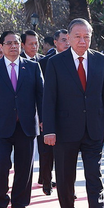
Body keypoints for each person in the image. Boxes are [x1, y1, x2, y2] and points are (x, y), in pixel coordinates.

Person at [43, 19, 104, 208]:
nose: (82, 41)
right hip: (65, 131)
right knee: (65, 178)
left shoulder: (100, 60)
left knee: (95, 176)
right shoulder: (56, 63)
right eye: (77, 36)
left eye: (87, 36)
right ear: (68, 37)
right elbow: (49, 99)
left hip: (94, 128)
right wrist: (49, 130)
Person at [0, 31, 44, 208]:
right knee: (0, 166)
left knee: (24, 167)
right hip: (0, 126)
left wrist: (43, 120)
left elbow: (41, 96)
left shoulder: (33, 67)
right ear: (1, 46)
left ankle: (19, 205)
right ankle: (1, 203)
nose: (13, 46)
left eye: (16, 42)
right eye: (9, 43)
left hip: (26, 125)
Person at [36, 28, 68, 194]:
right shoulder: (44, 62)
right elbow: (40, 92)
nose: (66, 43)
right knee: (47, 151)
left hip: (69, 114)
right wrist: (42, 117)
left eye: (68, 39)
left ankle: (67, 187)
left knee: (67, 154)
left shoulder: (75, 61)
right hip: (48, 113)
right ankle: (46, 182)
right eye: (63, 39)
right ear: (55, 42)